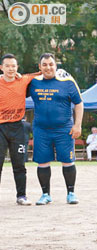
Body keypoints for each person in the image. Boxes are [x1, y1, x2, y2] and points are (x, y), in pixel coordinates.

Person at [29, 53, 83, 205]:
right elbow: (17, 88)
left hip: (63, 130)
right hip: (41, 130)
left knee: (68, 161)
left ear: (56, 65)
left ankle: (71, 193)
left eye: (51, 64)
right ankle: (45, 194)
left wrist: (77, 125)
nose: (48, 67)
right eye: (44, 65)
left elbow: (79, 103)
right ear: (39, 67)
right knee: (43, 162)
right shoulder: (33, 83)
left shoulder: (67, 82)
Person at [0, 53, 35, 205]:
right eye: (7, 66)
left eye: (13, 66)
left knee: (19, 164)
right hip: (0, 127)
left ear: (17, 67)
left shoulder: (24, 80)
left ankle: (21, 196)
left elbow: (43, 72)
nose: (10, 69)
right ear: (1, 68)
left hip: (18, 127)